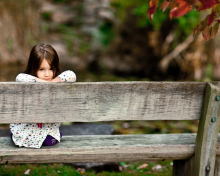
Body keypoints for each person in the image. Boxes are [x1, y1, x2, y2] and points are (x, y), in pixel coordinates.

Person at [10, 44, 76, 148]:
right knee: (47, 140)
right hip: (29, 127)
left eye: (51, 69)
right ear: (34, 67)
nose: (47, 74)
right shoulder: (29, 81)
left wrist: (54, 81)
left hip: (47, 127)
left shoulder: (57, 81)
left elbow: (71, 75)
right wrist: (39, 81)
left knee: (48, 141)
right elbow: (19, 77)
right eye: (42, 69)